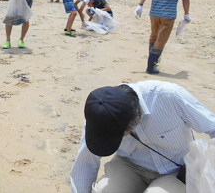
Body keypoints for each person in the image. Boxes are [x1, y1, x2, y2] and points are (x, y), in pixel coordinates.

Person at [70, 80, 215, 193]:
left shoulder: (170, 96)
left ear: (136, 119)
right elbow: (85, 164)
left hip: (175, 170)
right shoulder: (100, 116)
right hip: (129, 166)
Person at [134, 0, 191, 74]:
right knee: (161, 40)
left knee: (153, 36)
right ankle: (151, 66)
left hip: (154, 12)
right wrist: (186, 13)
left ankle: (153, 61)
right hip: (168, 14)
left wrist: (140, 5)